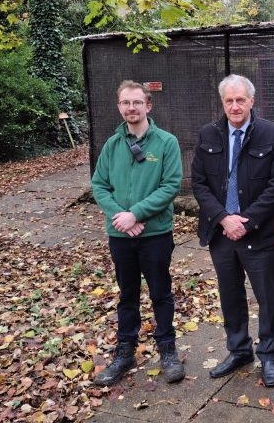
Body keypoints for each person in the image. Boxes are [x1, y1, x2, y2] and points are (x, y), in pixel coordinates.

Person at [191, 74, 274, 387]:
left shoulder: (272, 133)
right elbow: (199, 183)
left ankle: (268, 354)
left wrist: (244, 221)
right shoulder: (208, 134)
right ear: (223, 103)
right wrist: (223, 218)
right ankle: (239, 350)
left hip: (259, 233)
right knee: (230, 295)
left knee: (266, 297)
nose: (235, 106)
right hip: (221, 233)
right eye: (229, 100)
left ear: (251, 101)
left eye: (240, 100)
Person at [91, 80, 185, 387]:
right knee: (127, 294)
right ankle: (125, 352)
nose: (131, 108)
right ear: (119, 107)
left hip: (155, 234)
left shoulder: (166, 143)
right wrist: (122, 217)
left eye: (137, 102)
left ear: (148, 105)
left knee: (161, 293)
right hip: (120, 235)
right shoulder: (111, 145)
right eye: (125, 103)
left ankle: (167, 350)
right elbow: (99, 185)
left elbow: (170, 186)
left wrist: (137, 214)